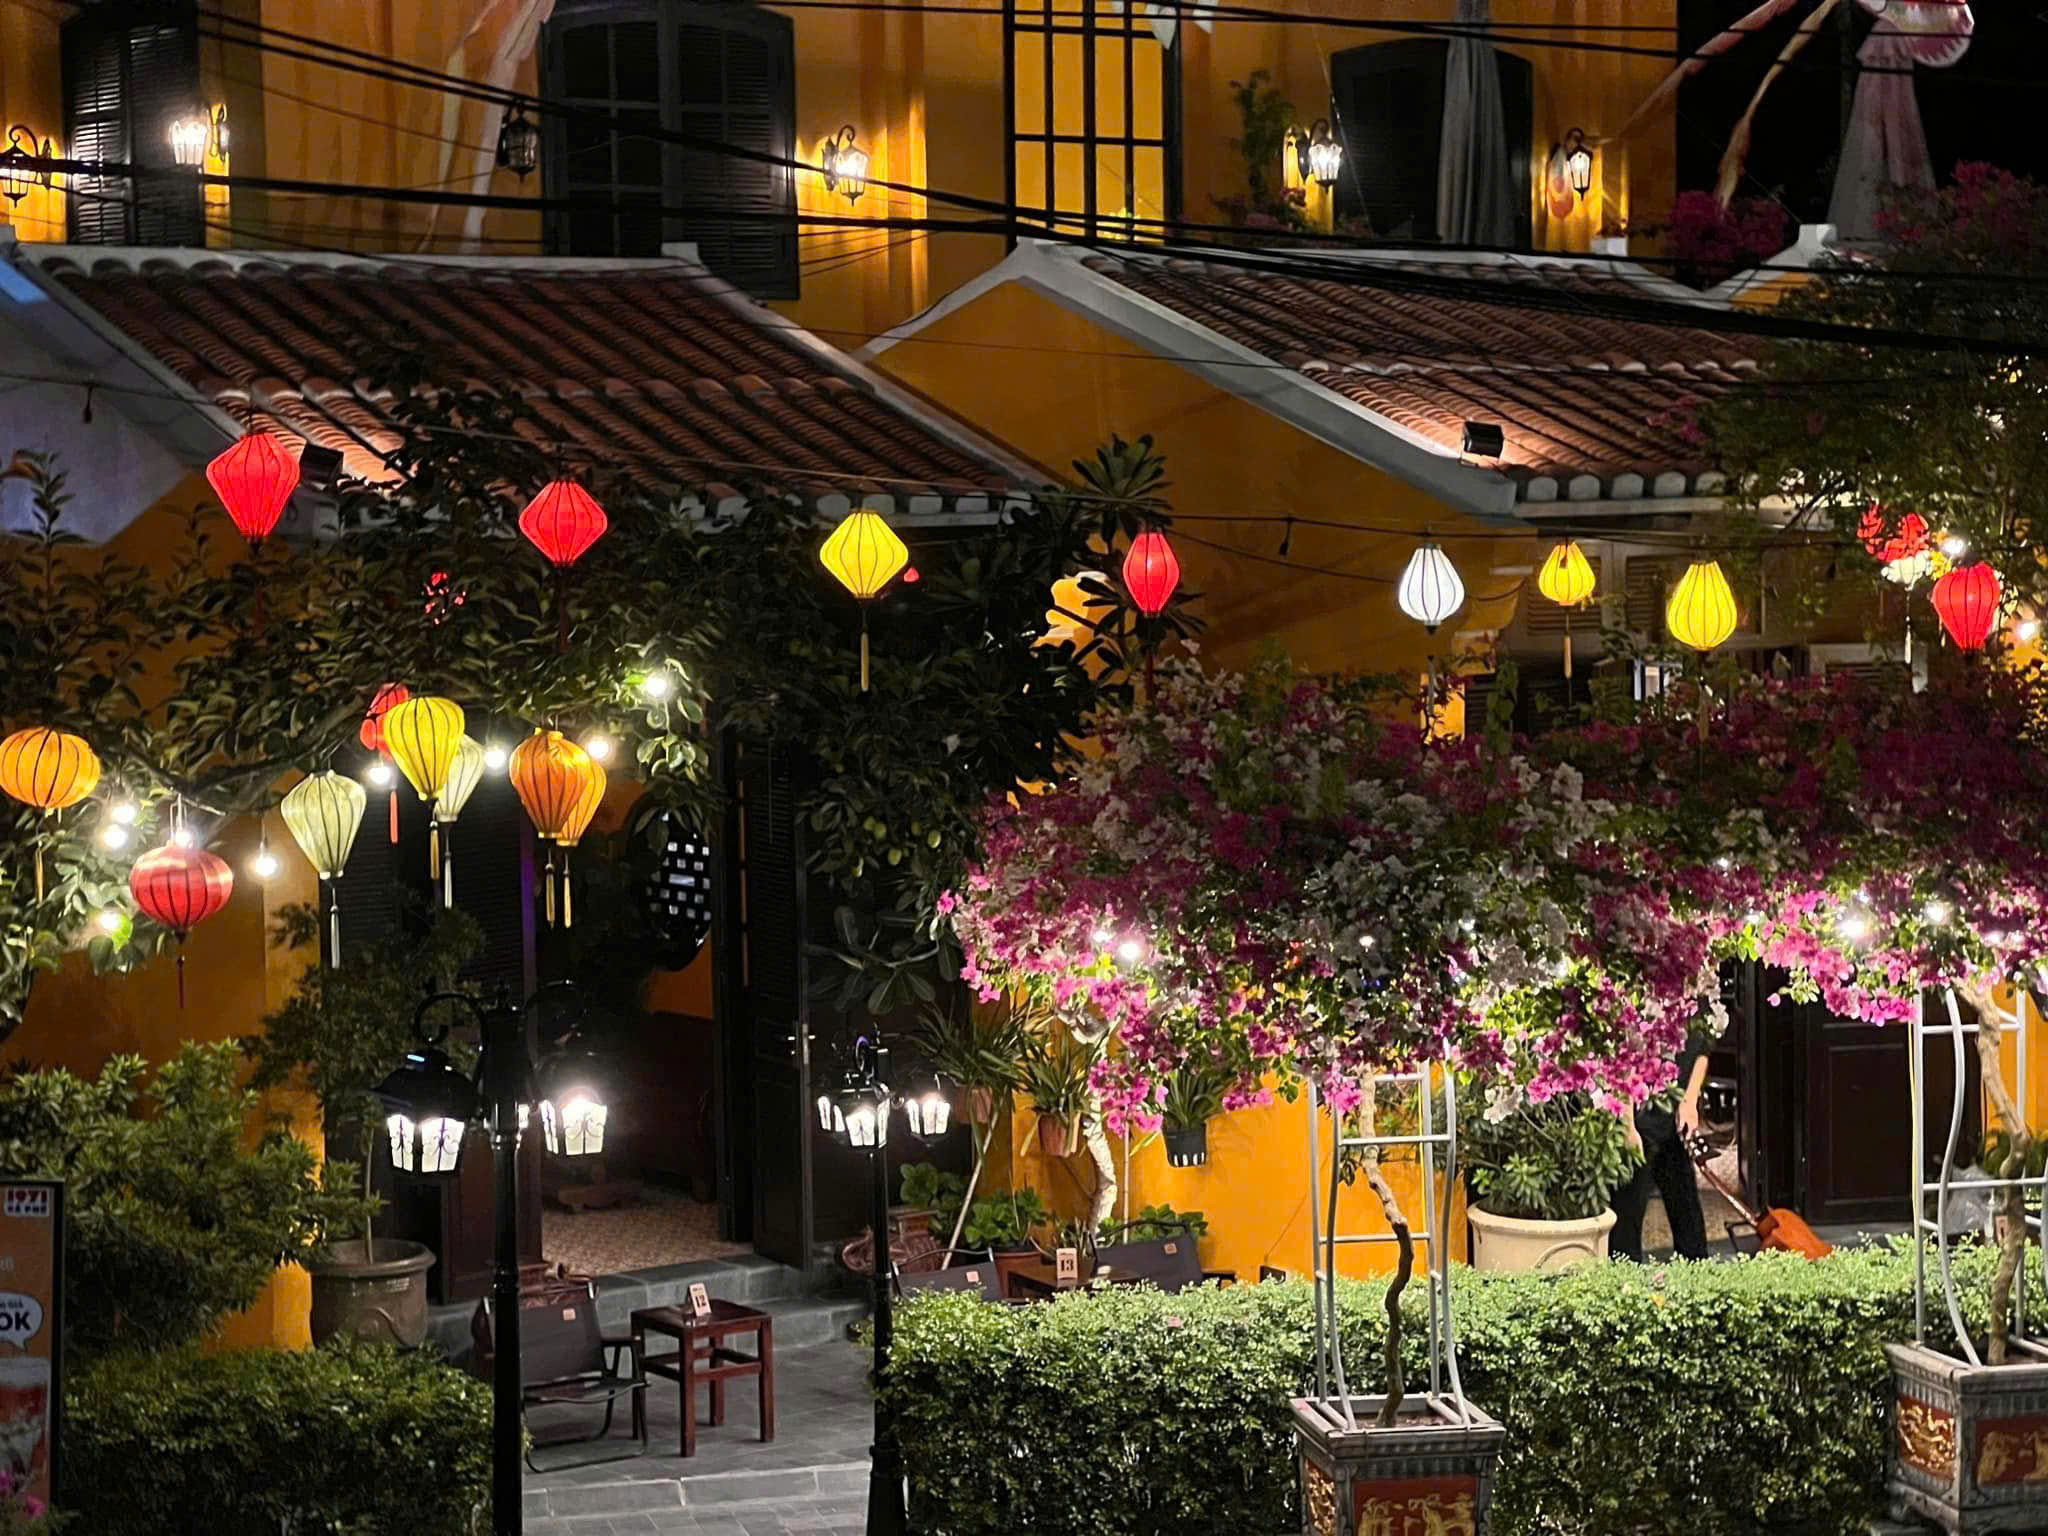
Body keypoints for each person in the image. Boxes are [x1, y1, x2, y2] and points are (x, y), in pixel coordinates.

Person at [1610, 1034, 1712, 1262]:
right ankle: (1623, 1279)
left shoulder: (1697, 1012)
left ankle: (1699, 1275)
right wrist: (1628, 1126)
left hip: (1675, 1117)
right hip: (1640, 1120)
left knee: (1690, 1227)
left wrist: (1690, 1101)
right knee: (1626, 1224)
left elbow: (1703, 1046)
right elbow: (1620, 1058)